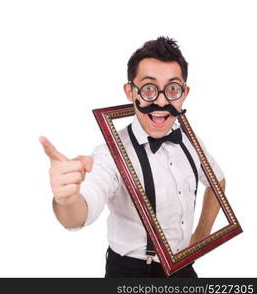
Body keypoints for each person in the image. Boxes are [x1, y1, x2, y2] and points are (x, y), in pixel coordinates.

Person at [40, 37, 225, 277]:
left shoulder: (189, 138)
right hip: (134, 273)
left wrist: (201, 236)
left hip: (184, 268)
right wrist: (66, 201)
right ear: (130, 91)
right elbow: (78, 215)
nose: (161, 101)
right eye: (149, 88)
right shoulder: (110, 153)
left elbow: (217, 180)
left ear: (184, 93)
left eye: (172, 89)